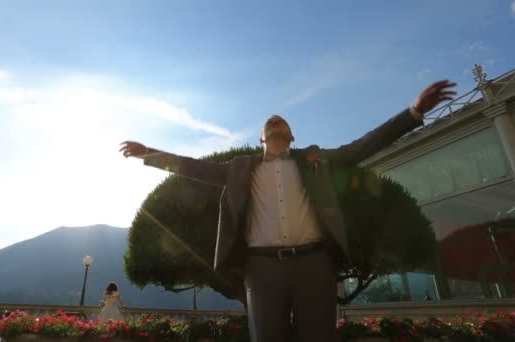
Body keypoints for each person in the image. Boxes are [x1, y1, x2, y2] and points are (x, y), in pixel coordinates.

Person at [119, 80, 456, 341]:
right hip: (262, 269)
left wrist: (413, 113)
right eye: (270, 121)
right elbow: (193, 168)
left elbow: (364, 145)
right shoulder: (240, 169)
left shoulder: (316, 161)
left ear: (292, 136)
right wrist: (150, 153)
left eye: (281, 121)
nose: (275, 121)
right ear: (262, 138)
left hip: (315, 265)